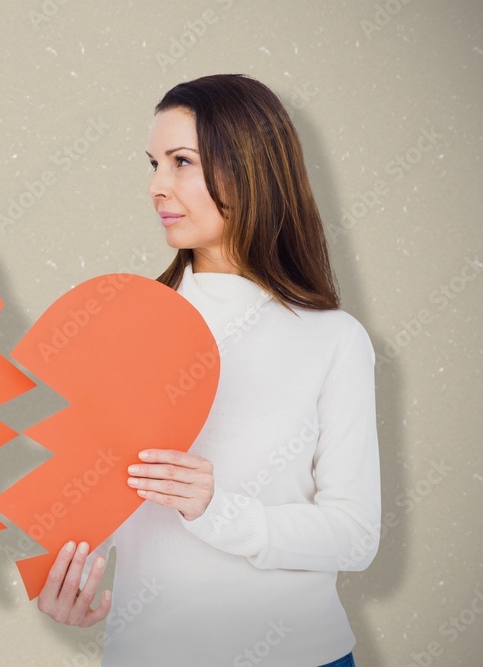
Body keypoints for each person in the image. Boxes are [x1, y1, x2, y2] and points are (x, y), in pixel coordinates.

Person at [36, 74, 380, 667]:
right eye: (152, 163)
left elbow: (355, 535)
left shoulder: (333, 340)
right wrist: (62, 577)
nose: (156, 187)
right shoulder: (121, 328)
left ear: (251, 169)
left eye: (181, 162)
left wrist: (217, 510)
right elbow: (94, 494)